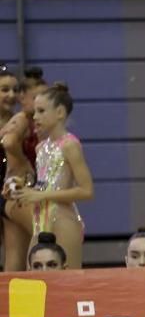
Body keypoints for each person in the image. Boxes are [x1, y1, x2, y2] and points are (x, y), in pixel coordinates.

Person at [11, 83, 93, 269]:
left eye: (41, 111)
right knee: (34, 281)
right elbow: (45, 184)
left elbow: (86, 190)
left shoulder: (70, 145)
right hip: (40, 219)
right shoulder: (41, 147)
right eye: (34, 112)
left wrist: (40, 195)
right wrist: (25, 189)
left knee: (69, 282)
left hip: (63, 219)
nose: (35, 117)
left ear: (60, 113)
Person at [1, 66, 45, 271]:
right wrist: (25, 163)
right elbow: (9, 143)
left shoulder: (28, 119)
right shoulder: (20, 120)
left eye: (14, 89)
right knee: (43, 236)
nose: (11, 95)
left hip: (14, 190)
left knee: (15, 256)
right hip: (14, 190)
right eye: (4, 90)